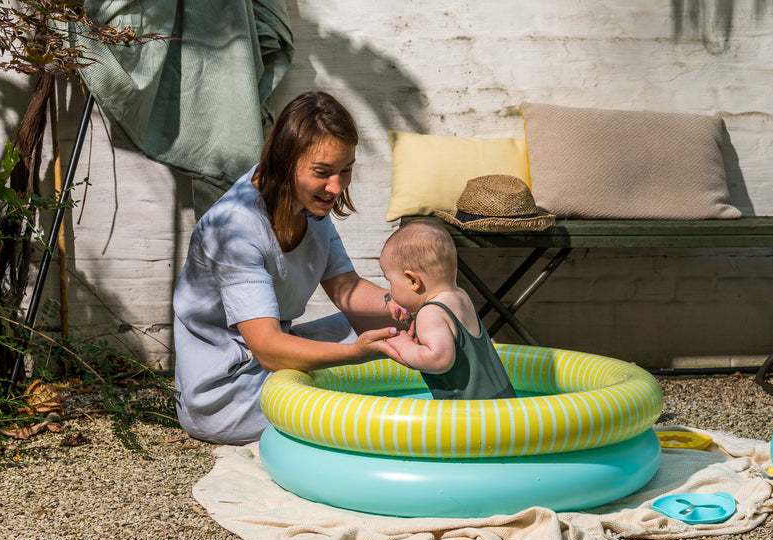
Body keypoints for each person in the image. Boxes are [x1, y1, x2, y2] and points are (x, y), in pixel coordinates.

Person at [173, 91, 409, 445]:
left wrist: (408, 304)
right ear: (285, 162)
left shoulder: (310, 206)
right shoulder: (235, 228)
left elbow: (346, 288)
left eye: (346, 170)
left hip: (272, 365)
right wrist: (355, 353)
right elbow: (268, 348)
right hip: (229, 393)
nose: (337, 186)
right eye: (323, 172)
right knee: (383, 357)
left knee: (403, 328)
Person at [380, 220, 516, 399]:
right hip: (501, 399)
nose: (391, 291)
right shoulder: (460, 296)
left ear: (413, 281)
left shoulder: (430, 313)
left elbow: (439, 360)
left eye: (391, 282)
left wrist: (404, 346)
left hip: (472, 414)